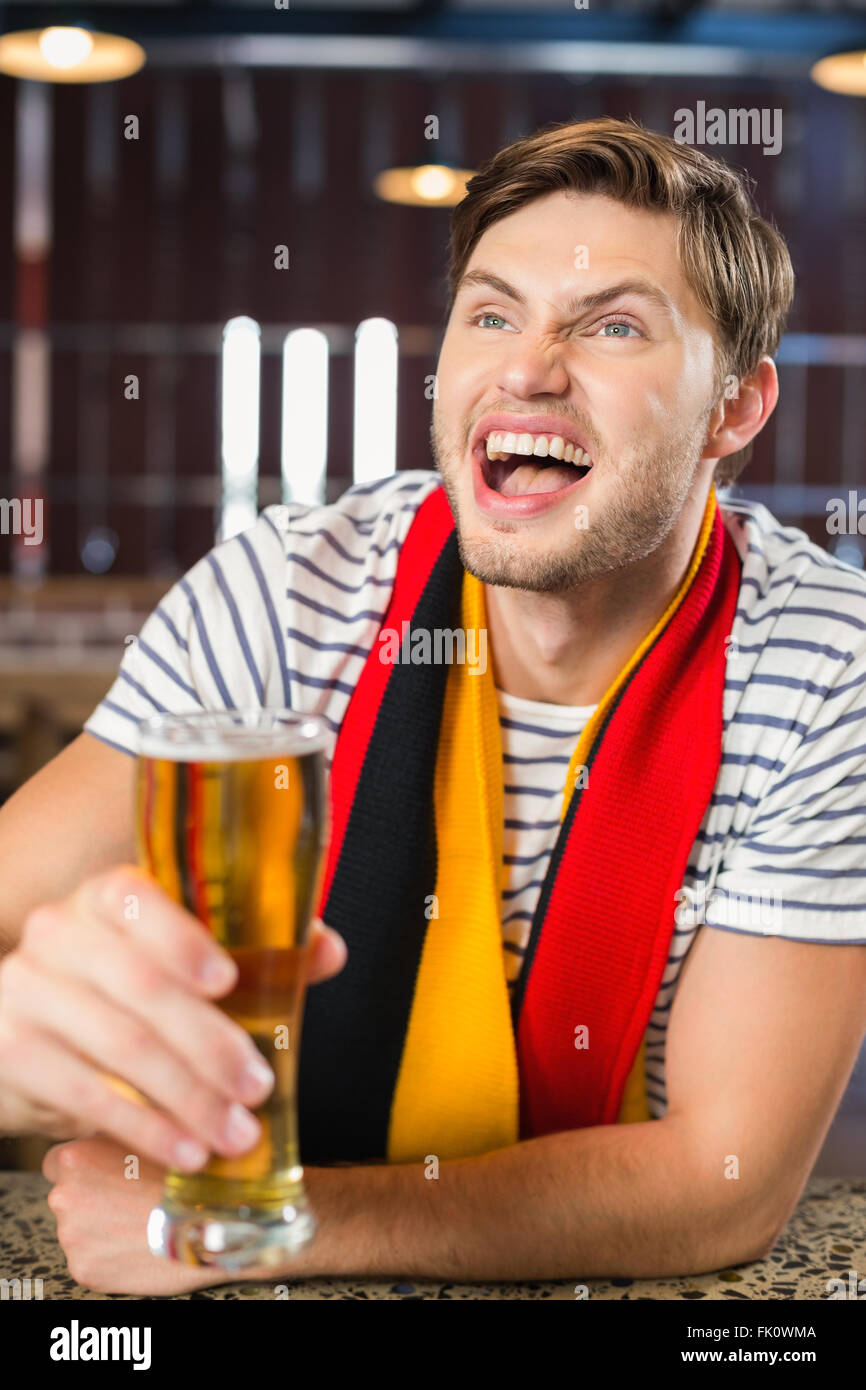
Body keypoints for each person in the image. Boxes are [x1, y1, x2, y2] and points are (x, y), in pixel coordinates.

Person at [0, 116, 864, 1295]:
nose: (526, 367)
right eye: (490, 313)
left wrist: (277, 1228)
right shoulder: (290, 590)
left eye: (611, 325)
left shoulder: (824, 663)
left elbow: (723, 1177)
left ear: (734, 409)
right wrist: (26, 1051)